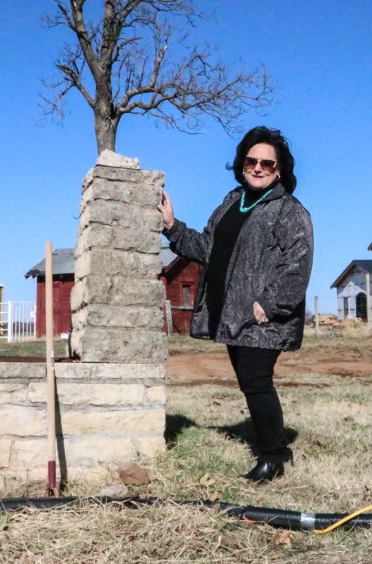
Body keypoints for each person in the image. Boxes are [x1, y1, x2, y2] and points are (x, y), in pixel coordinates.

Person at [158, 126, 314, 483]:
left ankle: (273, 458)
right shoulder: (232, 201)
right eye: (251, 160)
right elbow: (207, 249)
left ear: (280, 170)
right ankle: (276, 446)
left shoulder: (289, 211)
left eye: (267, 164)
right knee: (250, 382)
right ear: (242, 163)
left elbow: (299, 263)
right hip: (231, 315)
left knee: (257, 381)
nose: (258, 168)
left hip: (263, 317)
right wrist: (171, 227)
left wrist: (269, 305)